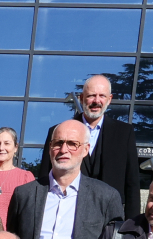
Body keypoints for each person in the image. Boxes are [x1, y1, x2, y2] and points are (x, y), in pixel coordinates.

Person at [36, 76, 140, 218]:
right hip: (67, 213)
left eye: (102, 96)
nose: (96, 101)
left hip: (110, 216)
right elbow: (45, 175)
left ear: (109, 99)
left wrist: (131, 226)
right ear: (81, 98)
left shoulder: (124, 133)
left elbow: (132, 184)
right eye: (91, 96)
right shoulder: (58, 131)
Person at [0, 127, 37, 227]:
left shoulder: (25, 177)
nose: (1, 148)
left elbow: (32, 214)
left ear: (15, 148)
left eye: (7, 143)